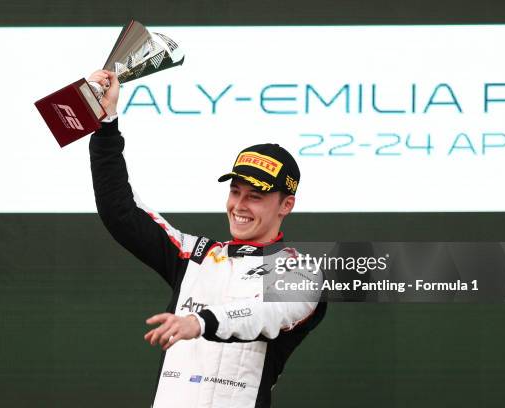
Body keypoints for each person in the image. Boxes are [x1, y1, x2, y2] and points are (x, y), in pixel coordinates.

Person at [88, 69, 327, 408]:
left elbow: (262, 315)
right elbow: (120, 211)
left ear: (286, 204)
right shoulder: (194, 256)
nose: (239, 206)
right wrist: (106, 125)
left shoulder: (301, 273)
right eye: (235, 191)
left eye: (255, 196)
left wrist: (198, 322)